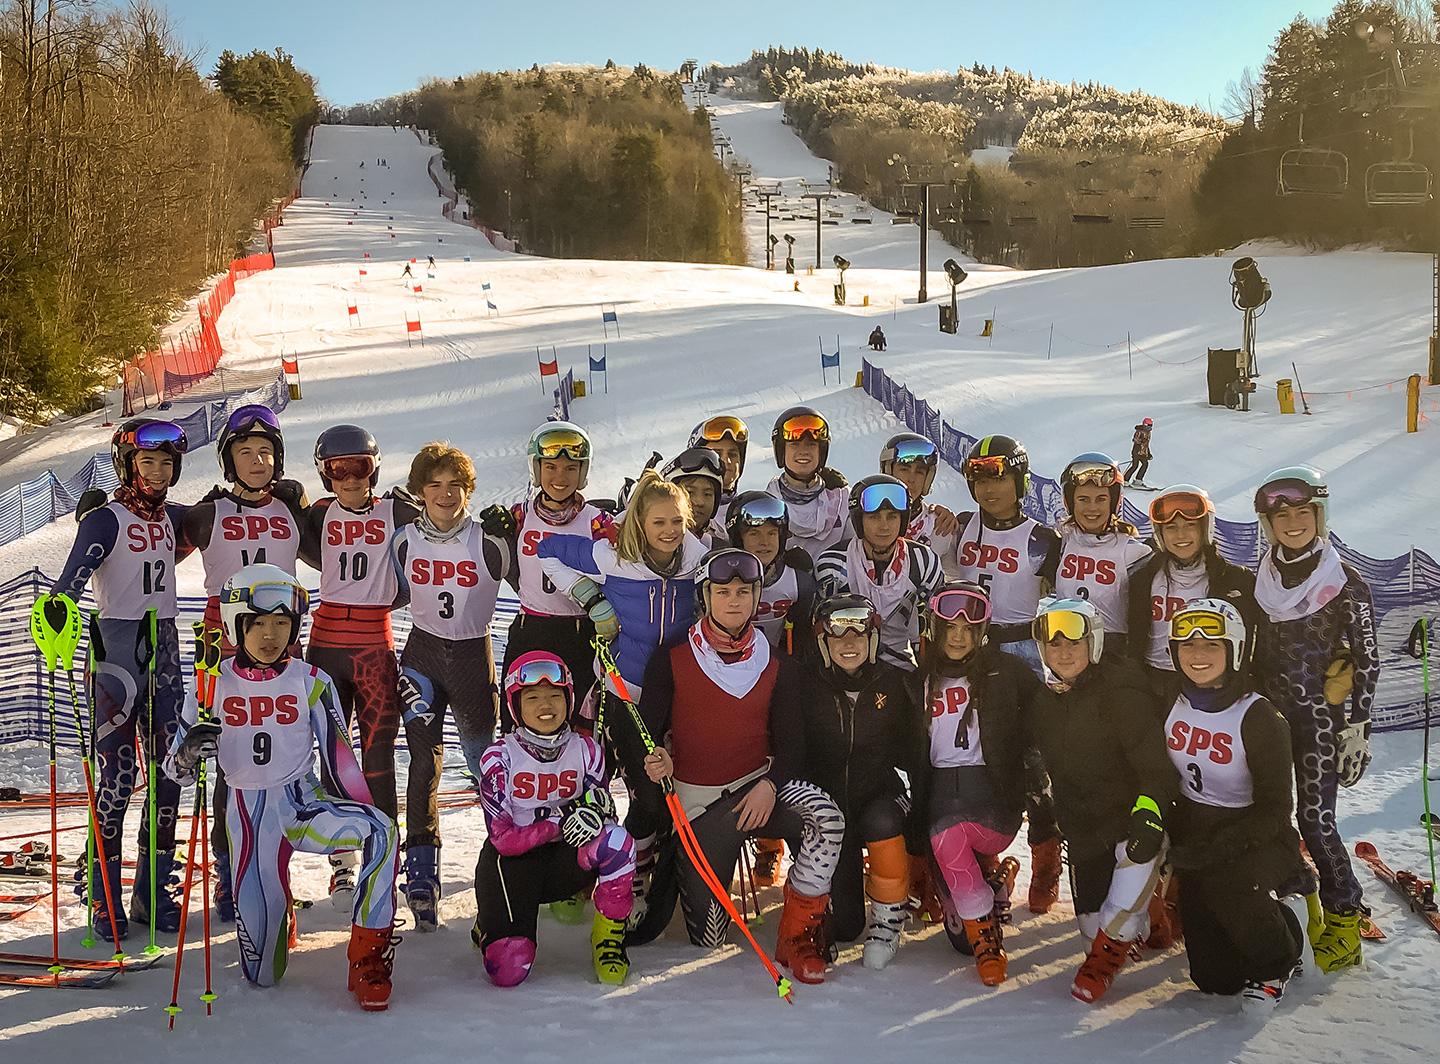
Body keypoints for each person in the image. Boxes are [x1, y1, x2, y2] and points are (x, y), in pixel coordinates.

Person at [165, 565, 400, 1010]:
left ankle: (368, 957)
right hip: (250, 823)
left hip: (302, 805)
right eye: (257, 623)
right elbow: (174, 774)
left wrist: (366, 818)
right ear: (237, 625)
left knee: (381, 831)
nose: (269, 635)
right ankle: (277, 908)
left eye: (281, 623)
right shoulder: (208, 685)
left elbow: (342, 762)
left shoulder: (311, 681)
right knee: (263, 978)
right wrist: (189, 751)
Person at [637, 548, 845, 984]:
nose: (734, 600)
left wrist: (772, 783)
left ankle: (798, 933)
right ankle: (683, 867)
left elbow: (793, 745)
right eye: (723, 591)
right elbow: (648, 735)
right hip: (701, 807)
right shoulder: (671, 659)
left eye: (744, 591)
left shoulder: (776, 664)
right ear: (705, 596)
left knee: (825, 816)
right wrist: (657, 757)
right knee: (709, 938)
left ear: (756, 598)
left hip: (760, 789)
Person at [538, 470, 706, 940]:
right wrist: (592, 599)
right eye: (659, 523)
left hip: (675, 692)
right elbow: (546, 550)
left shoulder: (696, 554)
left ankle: (650, 877)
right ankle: (619, 884)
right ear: (640, 524)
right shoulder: (611, 554)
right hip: (623, 692)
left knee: (670, 796)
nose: (669, 531)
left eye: (676, 521)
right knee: (638, 798)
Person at [52, 418, 192, 940]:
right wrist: (58, 617)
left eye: (167, 464)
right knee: (117, 778)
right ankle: (104, 892)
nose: (157, 473)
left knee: (170, 774)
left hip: (167, 653)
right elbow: (68, 584)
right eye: (147, 462)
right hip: (116, 657)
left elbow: (224, 517)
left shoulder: (173, 518)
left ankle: (152, 890)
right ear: (127, 465)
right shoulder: (106, 519)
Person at [181, 404, 308, 923]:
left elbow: (349, 534)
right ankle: (229, 870)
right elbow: (154, 532)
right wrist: (98, 513)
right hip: (222, 640)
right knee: (226, 755)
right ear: (227, 458)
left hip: (280, 634)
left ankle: (278, 870)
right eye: (244, 451)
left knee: (286, 751)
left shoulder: (293, 508)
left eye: (266, 452)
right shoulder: (206, 514)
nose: (257, 461)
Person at [1251, 466, 1378, 974]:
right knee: (1273, 817)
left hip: (1322, 721)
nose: (1293, 523)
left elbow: (1367, 658)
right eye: (1282, 515)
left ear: (1320, 516)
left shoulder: (1345, 582)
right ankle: (1305, 905)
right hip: (1270, 719)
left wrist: (1357, 727)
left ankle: (1346, 915)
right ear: (1268, 524)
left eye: (1304, 512)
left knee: (1317, 819)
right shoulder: (1262, 578)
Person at [1027, 597, 1179, 1004]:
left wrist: (1150, 812)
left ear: (1092, 642)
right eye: (1053, 643)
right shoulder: (1045, 700)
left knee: (1109, 939)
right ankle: (1153, 913)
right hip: (1083, 829)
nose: (1063, 651)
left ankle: (1133, 919)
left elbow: (1157, 766)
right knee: (1092, 931)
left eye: (1073, 641)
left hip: (1132, 824)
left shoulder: (1121, 690)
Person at [389, 443, 513, 930]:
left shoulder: (487, 540)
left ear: (468, 491)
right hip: (420, 656)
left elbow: (531, 580)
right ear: (419, 491)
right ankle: (421, 870)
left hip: (470, 658)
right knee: (423, 762)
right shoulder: (403, 540)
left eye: (454, 486)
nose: (444, 494)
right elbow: (396, 590)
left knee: (485, 763)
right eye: (434, 485)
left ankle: (504, 854)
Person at [1162, 599, 1304, 1012]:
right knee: (1215, 979)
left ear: (1235, 650)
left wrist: (1226, 845)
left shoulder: (1258, 716)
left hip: (1258, 837)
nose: (1198, 654)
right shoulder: (1171, 700)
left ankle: (1280, 958)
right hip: (1198, 834)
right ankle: (1264, 922)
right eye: (1187, 645)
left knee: (1232, 886)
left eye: (1211, 644)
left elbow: (1276, 808)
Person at [298, 425, 419, 903]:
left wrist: (400, 595)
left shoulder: (394, 510)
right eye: (338, 470)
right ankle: (343, 858)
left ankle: (384, 850)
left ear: (375, 468)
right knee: (333, 753)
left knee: (377, 754)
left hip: (373, 645)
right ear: (325, 474)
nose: (350, 479)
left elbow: (441, 532)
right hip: (326, 642)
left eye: (360, 468)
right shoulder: (319, 514)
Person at [949, 434, 1064, 913]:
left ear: (1019, 480)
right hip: (968, 647)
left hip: (1022, 651)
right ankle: (984, 860)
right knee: (974, 758)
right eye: (980, 480)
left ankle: (1046, 862)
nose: (991, 490)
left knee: (1034, 763)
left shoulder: (1041, 538)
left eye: (1000, 479)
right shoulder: (957, 526)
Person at [473, 653, 635, 987]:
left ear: (569, 699)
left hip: (564, 862)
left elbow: (603, 806)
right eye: (532, 697)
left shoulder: (587, 750)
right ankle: (490, 922)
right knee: (508, 973)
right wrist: (562, 822)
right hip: (511, 868)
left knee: (617, 841)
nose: (545, 705)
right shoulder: (499, 757)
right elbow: (504, 839)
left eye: (554, 695)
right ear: (516, 706)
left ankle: (608, 939)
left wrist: (596, 810)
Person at [910, 582, 1039, 985]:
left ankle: (989, 943)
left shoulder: (1007, 672)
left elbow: (1047, 718)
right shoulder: (919, 681)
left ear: (983, 631)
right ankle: (994, 883)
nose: (959, 636)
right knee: (957, 938)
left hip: (992, 800)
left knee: (949, 838)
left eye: (969, 628)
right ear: (936, 628)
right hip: (939, 798)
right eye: (950, 628)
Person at [803, 595, 917, 969]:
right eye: (838, 635)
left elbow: (917, 753)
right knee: (847, 926)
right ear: (823, 642)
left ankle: (888, 916)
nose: (849, 643)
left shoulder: (896, 683)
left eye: (859, 633)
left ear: (873, 639)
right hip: (833, 813)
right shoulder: (808, 686)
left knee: (881, 821)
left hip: (881, 794)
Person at [479, 422, 611, 734]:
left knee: (580, 723)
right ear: (536, 469)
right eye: (550, 467)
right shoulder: (521, 514)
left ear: (582, 472)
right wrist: (499, 529)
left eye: (570, 468)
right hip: (532, 629)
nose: (560, 477)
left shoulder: (596, 521)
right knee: (520, 721)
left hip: (582, 632)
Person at [1125, 485, 1264, 704]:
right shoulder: (1143, 578)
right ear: (1160, 534)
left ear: (1205, 529)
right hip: (1153, 681)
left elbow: (1252, 640)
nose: (1181, 535)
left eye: (1190, 525)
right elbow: (1134, 637)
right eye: (1171, 528)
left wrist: (1240, 683)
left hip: (1209, 681)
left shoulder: (1235, 581)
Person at [815, 475, 943, 671]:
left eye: (892, 516)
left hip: (902, 665)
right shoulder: (833, 564)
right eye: (874, 517)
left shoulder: (924, 562)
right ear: (859, 521)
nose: (884, 526)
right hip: (849, 665)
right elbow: (822, 632)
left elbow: (936, 628)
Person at [1054, 453, 1153, 660]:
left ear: (1114, 502)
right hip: (1066, 652)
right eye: (1083, 499)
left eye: (1101, 499)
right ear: (1070, 502)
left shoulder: (1134, 552)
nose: (1092, 508)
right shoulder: (1060, 543)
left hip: (1112, 658)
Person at [724, 491, 816, 655]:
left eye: (772, 533)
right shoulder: (719, 580)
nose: (764, 542)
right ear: (738, 538)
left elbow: (801, 640)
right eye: (754, 534)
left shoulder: (799, 583)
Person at [766, 406, 849, 563]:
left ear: (822, 451)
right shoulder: (768, 504)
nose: (803, 451)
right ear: (781, 450)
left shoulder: (842, 499)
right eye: (794, 445)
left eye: (811, 445)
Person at [878, 432, 959, 554]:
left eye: (920, 472)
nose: (912, 479)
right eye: (904, 469)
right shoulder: (864, 516)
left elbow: (956, 572)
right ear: (888, 472)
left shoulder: (940, 527)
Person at [661, 447, 728, 547]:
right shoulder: (640, 546)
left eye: (707, 494)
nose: (700, 502)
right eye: (689, 492)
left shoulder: (723, 554)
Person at [688, 415, 749, 506]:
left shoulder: (749, 510)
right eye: (716, 455)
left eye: (732, 455)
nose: (726, 460)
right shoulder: (678, 509)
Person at [1124, 418, 1154, 487]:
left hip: (1143, 453)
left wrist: (1148, 453)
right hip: (1136, 451)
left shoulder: (1148, 432)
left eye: (1151, 425)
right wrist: (1140, 443)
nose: (1150, 426)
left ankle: (1138, 480)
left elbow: (1146, 444)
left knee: (1145, 464)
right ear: (1145, 424)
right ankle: (1125, 480)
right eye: (1149, 425)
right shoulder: (1139, 431)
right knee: (1135, 466)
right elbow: (1135, 440)